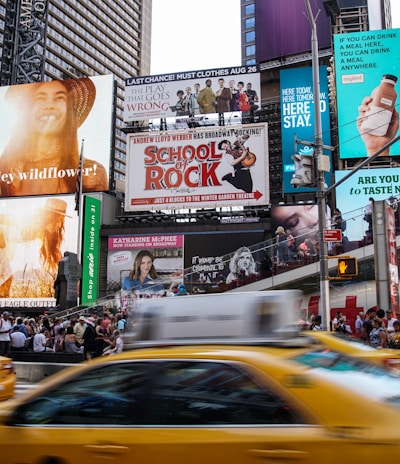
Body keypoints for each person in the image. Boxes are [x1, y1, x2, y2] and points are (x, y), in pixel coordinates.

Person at [0, 78, 108, 196]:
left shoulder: (91, 173)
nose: (49, 106)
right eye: (40, 98)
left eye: (59, 98)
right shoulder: (5, 168)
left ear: (69, 111)